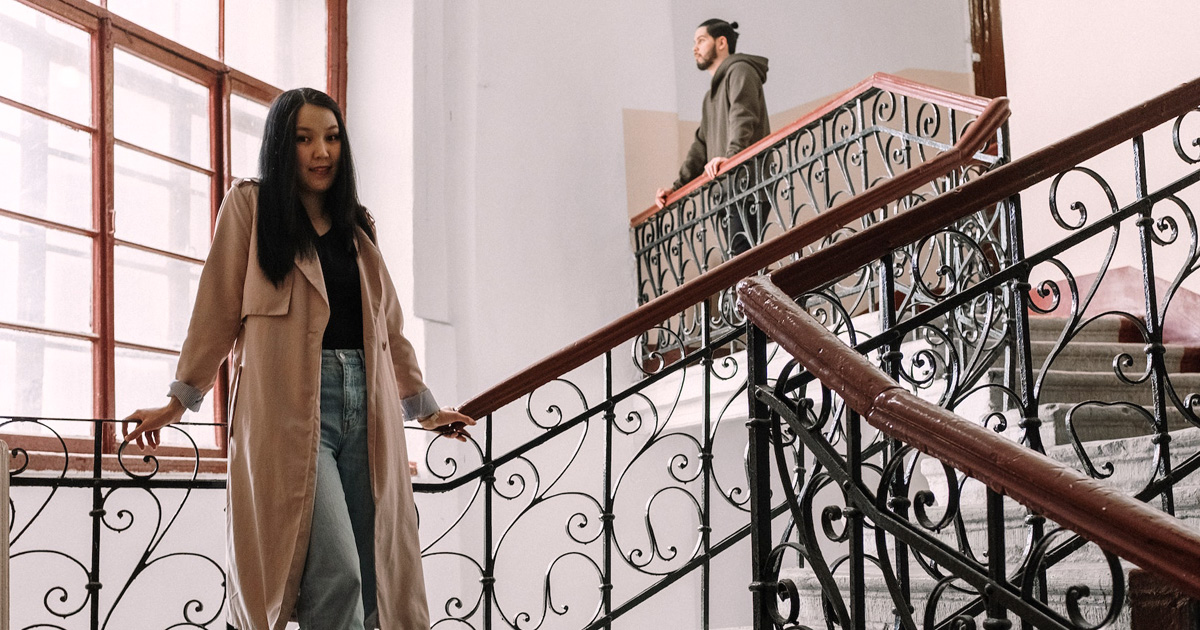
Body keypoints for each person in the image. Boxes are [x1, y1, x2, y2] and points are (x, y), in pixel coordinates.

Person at [122, 87, 474, 630]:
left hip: (369, 408)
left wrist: (424, 409)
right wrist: (177, 401)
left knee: (376, 576)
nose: (321, 152)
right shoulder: (251, 208)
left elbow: (389, 330)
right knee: (338, 575)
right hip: (290, 410)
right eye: (305, 139)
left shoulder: (359, 228)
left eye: (332, 138)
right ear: (282, 147)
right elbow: (215, 311)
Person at [655, 19, 771, 255]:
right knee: (737, 265)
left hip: (747, 186)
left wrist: (730, 158)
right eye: (694, 43)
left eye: (701, 40)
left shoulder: (741, 70)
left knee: (742, 265)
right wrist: (676, 188)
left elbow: (743, 115)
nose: (694, 48)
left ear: (721, 42)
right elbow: (701, 144)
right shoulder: (710, 97)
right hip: (726, 191)